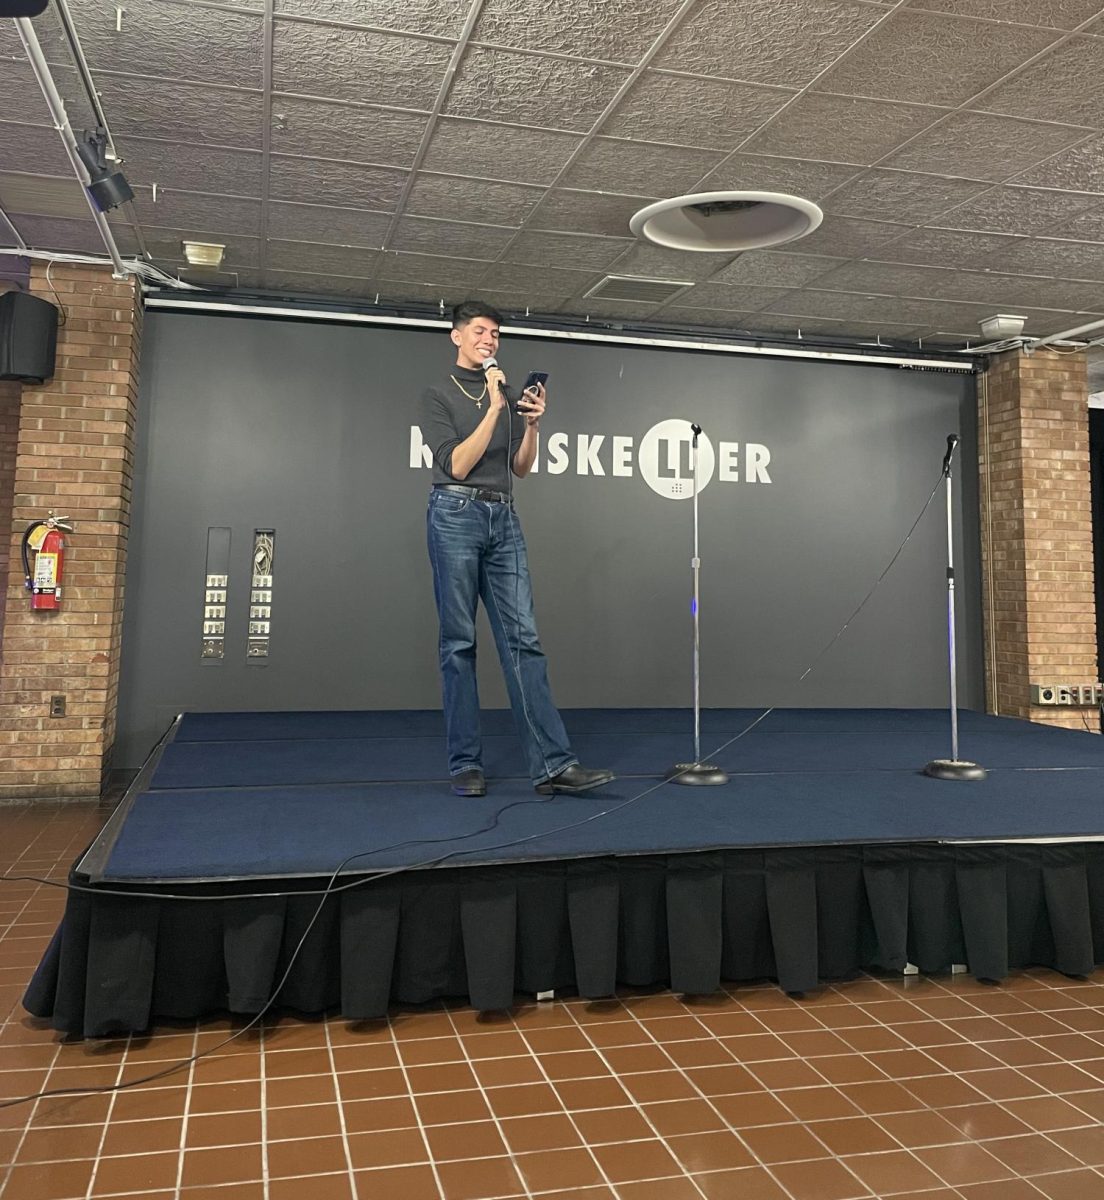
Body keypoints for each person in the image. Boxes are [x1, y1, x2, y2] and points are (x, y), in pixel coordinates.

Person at [420, 300, 615, 799]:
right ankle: (465, 763)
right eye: (481, 331)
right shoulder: (439, 394)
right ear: (457, 337)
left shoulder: (506, 396)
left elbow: (522, 467)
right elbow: (457, 465)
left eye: (496, 334)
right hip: (455, 514)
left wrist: (531, 424)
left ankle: (553, 764)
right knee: (459, 644)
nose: (490, 340)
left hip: (503, 516)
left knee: (524, 641)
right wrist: (492, 407)